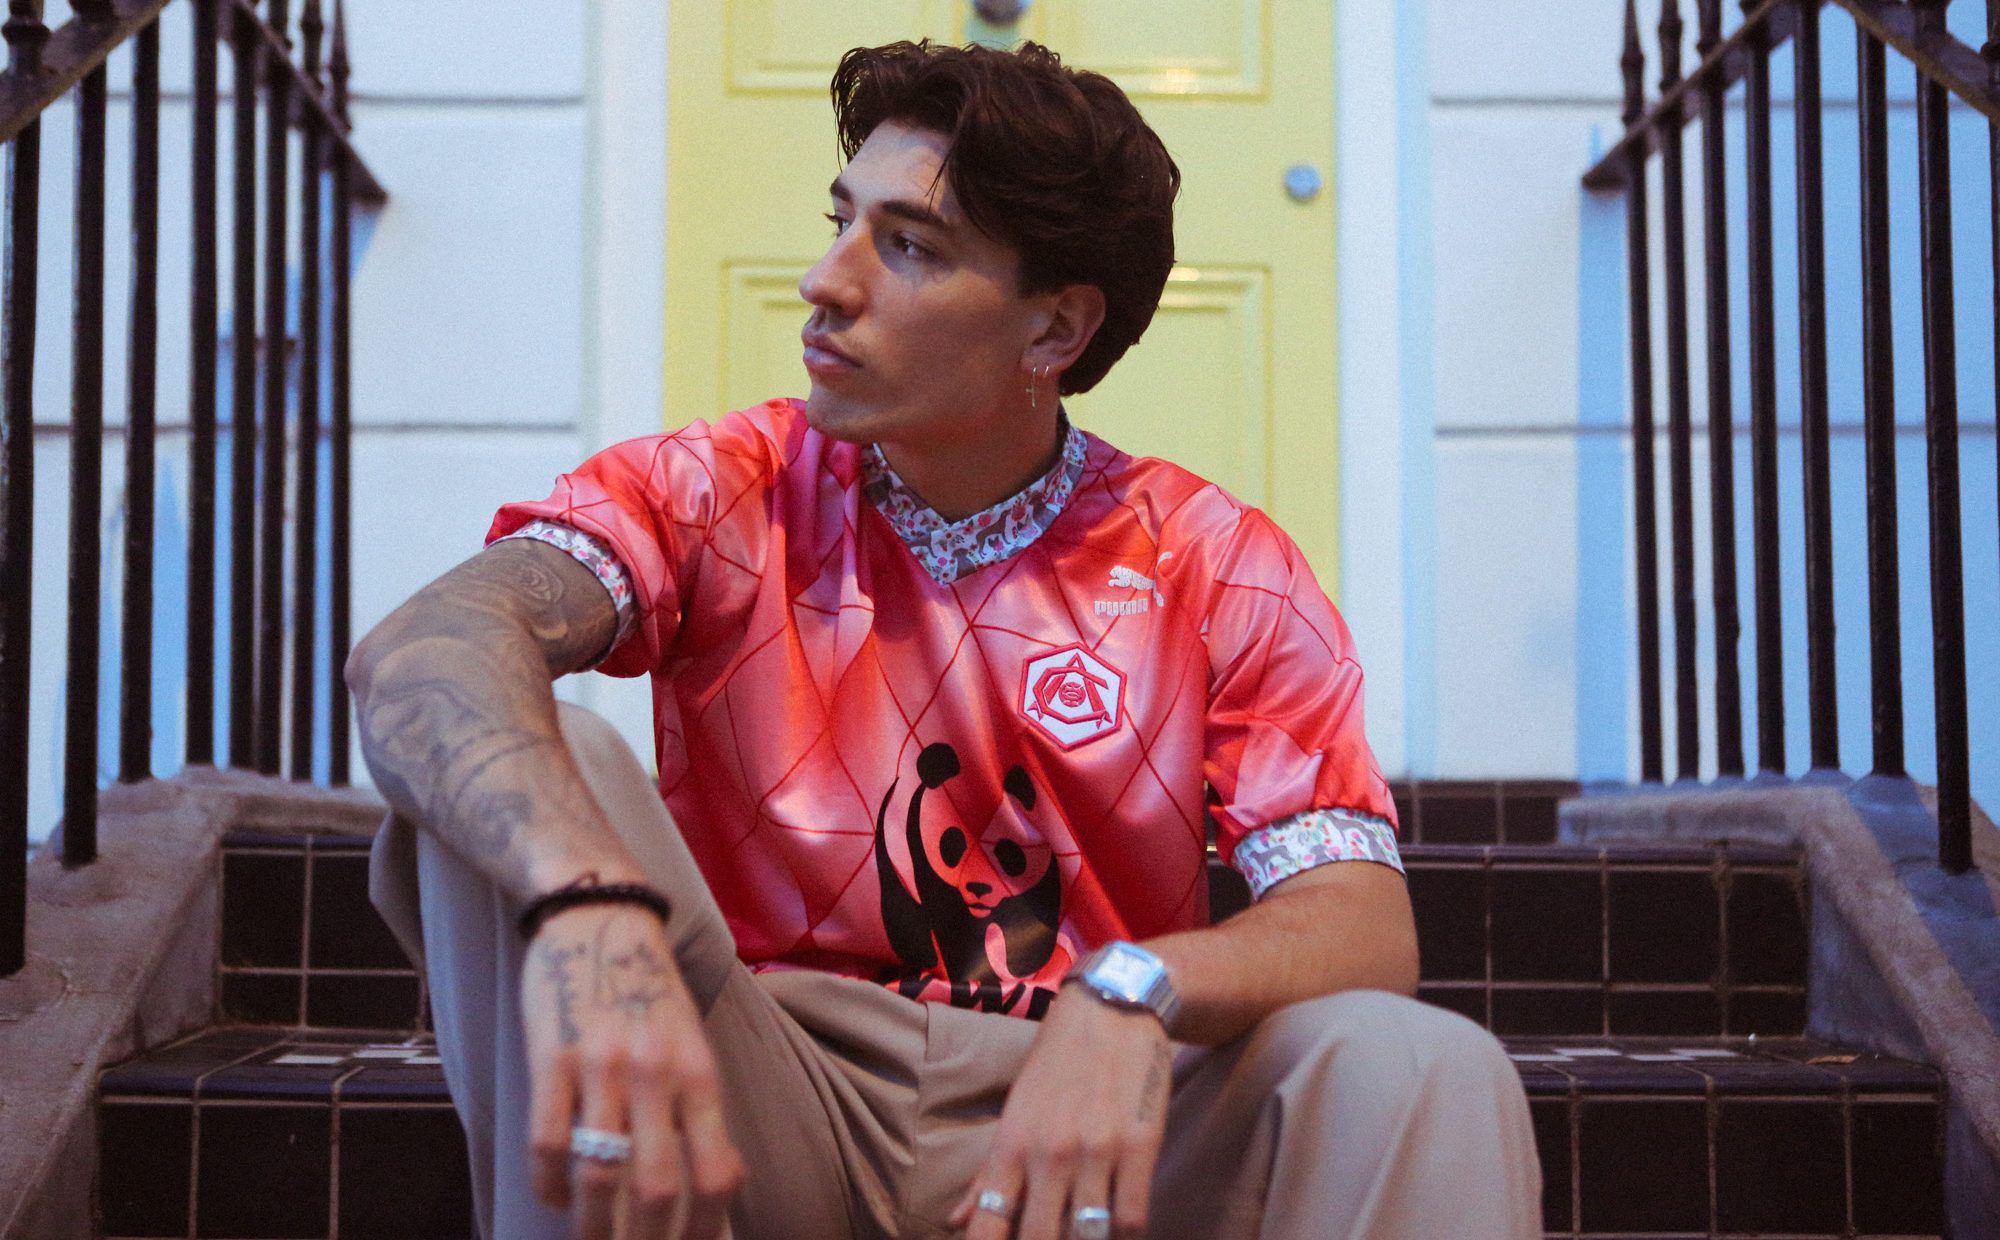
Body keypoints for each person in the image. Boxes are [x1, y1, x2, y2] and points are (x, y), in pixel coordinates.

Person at [354, 39, 1540, 1240]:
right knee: (528, 748)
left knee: (1422, 1065)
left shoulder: (1211, 560)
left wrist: (1134, 988)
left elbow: (1360, 921)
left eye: (908, 246)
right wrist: (589, 906)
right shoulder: (722, 489)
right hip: (761, 1093)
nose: (824, 281)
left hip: (1085, 1128)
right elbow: (424, 648)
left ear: (1054, 329)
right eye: (840, 222)